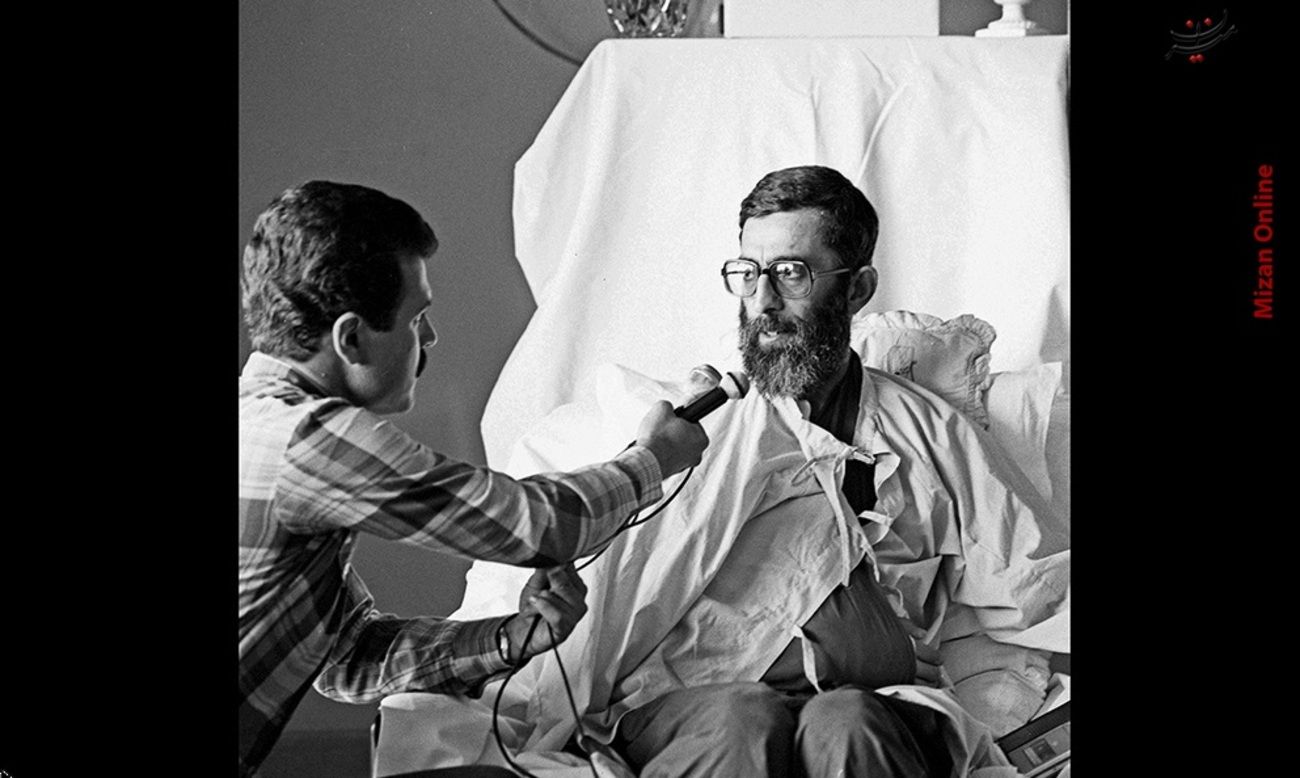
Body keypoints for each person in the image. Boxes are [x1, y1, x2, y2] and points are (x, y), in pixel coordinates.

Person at [474, 165, 1068, 776]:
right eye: (747, 272)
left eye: (791, 273)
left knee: (852, 723)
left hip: (867, 703)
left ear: (858, 288)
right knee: (742, 720)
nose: (762, 300)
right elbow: (632, 582)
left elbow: (1038, 580)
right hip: (692, 702)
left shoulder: (929, 432)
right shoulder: (710, 423)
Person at [238, 180, 709, 777]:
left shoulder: (263, 429)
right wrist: (654, 457)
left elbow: (349, 659)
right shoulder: (307, 439)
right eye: (417, 317)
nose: (429, 337)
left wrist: (511, 638)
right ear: (351, 338)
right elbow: (543, 527)